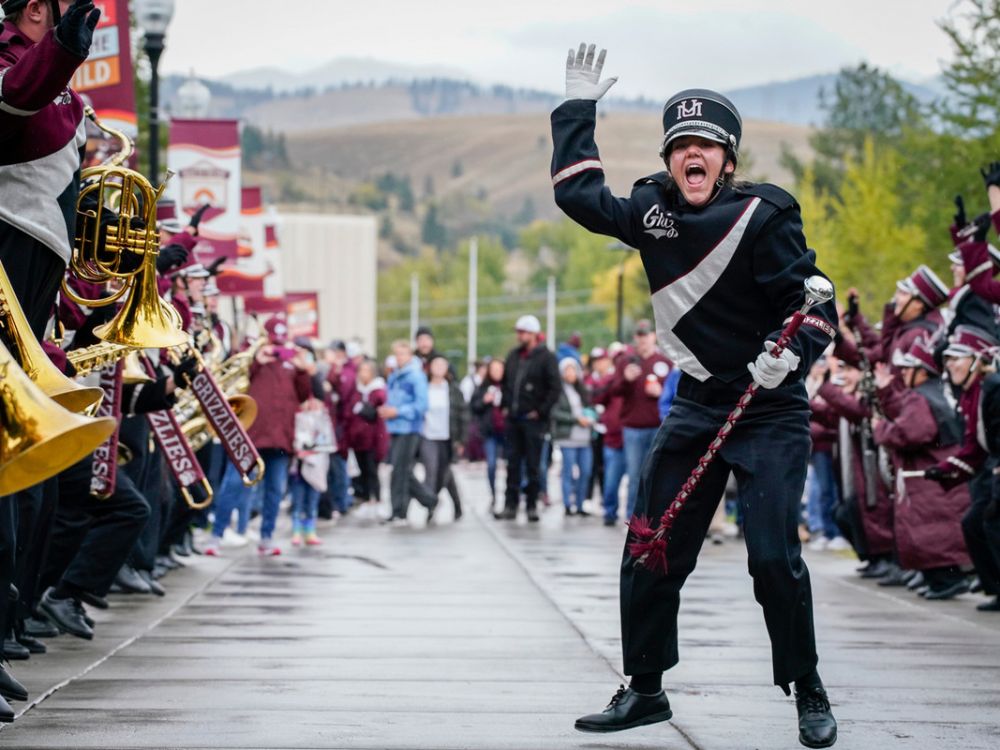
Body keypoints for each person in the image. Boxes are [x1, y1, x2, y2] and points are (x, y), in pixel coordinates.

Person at [552, 44, 838, 746]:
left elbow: (817, 312)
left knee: (773, 556)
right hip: (698, 403)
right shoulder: (652, 209)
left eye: (706, 144)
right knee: (649, 547)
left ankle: (806, 686)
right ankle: (645, 688)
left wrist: (789, 358)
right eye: (681, 144)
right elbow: (578, 196)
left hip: (768, 407)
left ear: (729, 160)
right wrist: (577, 110)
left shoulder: (765, 218)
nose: (692, 153)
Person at [204, 316, 313, 556]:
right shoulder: (254, 357)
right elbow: (236, 382)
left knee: (275, 489)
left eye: (280, 344)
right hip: (251, 437)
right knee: (233, 484)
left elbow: (304, 395)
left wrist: (303, 369)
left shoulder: (292, 364)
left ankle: (266, 537)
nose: (277, 349)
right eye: (273, 343)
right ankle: (216, 536)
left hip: (282, 439)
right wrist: (256, 361)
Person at [872, 340, 971, 599]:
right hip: (935, 472)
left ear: (923, 370)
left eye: (908, 368)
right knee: (937, 527)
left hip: (927, 475)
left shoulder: (921, 396)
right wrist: (885, 392)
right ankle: (941, 579)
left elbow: (910, 431)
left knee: (933, 530)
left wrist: (880, 429)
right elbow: (907, 414)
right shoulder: (932, 392)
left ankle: (945, 580)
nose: (902, 373)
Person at [924, 325, 1000, 612]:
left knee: (991, 521)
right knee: (975, 522)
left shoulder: (993, 387)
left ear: (979, 361)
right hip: (992, 467)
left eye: (959, 358)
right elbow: (974, 447)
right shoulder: (973, 392)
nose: (951, 364)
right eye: (950, 359)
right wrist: (943, 468)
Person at [499, 315, 561, 522]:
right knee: (512, 464)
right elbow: (506, 384)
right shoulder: (514, 355)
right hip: (514, 419)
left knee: (533, 465)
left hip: (533, 420)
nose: (520, 335)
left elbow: (554, 389)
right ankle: (511, 504)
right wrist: (506, 406)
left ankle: (532, 505)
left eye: (523, 332)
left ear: (534, 333)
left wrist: (540, 411)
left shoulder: (546, 357)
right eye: (518, 331)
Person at [612, 320, 671, 520]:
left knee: (656, 474)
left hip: (658, 426)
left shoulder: (665, 362)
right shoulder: (626, 362)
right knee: (635, 474)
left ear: (653, 336)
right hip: (632, 427)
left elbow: (675, 393)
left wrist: (661, 392)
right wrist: (626, 380)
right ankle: (633, 516)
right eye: (639, 335)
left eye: (645, 335)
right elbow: (613, 391)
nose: (642, 339)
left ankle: (655, 517)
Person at [379, 341, 439, 523]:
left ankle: (402, 510)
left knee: (401, 471)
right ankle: (426, 500)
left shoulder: (416, 376)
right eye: (397, 354)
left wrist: (398, 411)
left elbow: (421, 405)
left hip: (409, 428)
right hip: (395, 427)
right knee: (401, 471)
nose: (400, 358)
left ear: (410, 355)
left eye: (403, 354)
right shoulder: (394, 375)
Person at [419, 356, 469, 521]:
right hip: (428, 436)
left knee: (445, 473)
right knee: (431, 472)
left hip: (448, 437)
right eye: (436, 364)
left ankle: (457, 505)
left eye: (443, 365)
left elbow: (463, 415)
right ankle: (431, 507)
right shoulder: (424, 388)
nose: (439, 368)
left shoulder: (453, 389)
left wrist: (461, 439)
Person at [345, 359, 388, 517]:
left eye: (366, 370)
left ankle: (377, 500)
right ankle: (366, 499)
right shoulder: (357, 391)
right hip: (358, 440)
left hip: (373, 440)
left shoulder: (378, 391)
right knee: (361, 471)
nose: (362, 374)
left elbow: (377, 414)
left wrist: (364, 409)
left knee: (372, 471)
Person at [552, 358, 594, 516]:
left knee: (586, 471)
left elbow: (590, 407)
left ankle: (580, 503)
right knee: (568, 471)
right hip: (567, 437)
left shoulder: (583, 390)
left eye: (573, 369)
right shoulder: (558, 391)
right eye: (567, 370)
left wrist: (591, 416)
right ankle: (567, 504)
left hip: (584, 437)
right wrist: (576, 419)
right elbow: (555, 412)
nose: (570, 373)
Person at [471, 358, 506, 512]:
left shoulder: (509, 387)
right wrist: (484, 401)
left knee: (513, 465)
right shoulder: (482, 388)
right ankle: (493, 494)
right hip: (490, 432)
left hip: (507, 432)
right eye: (494, 370)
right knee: (491, 464)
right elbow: (473, 406)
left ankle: (512, 494)